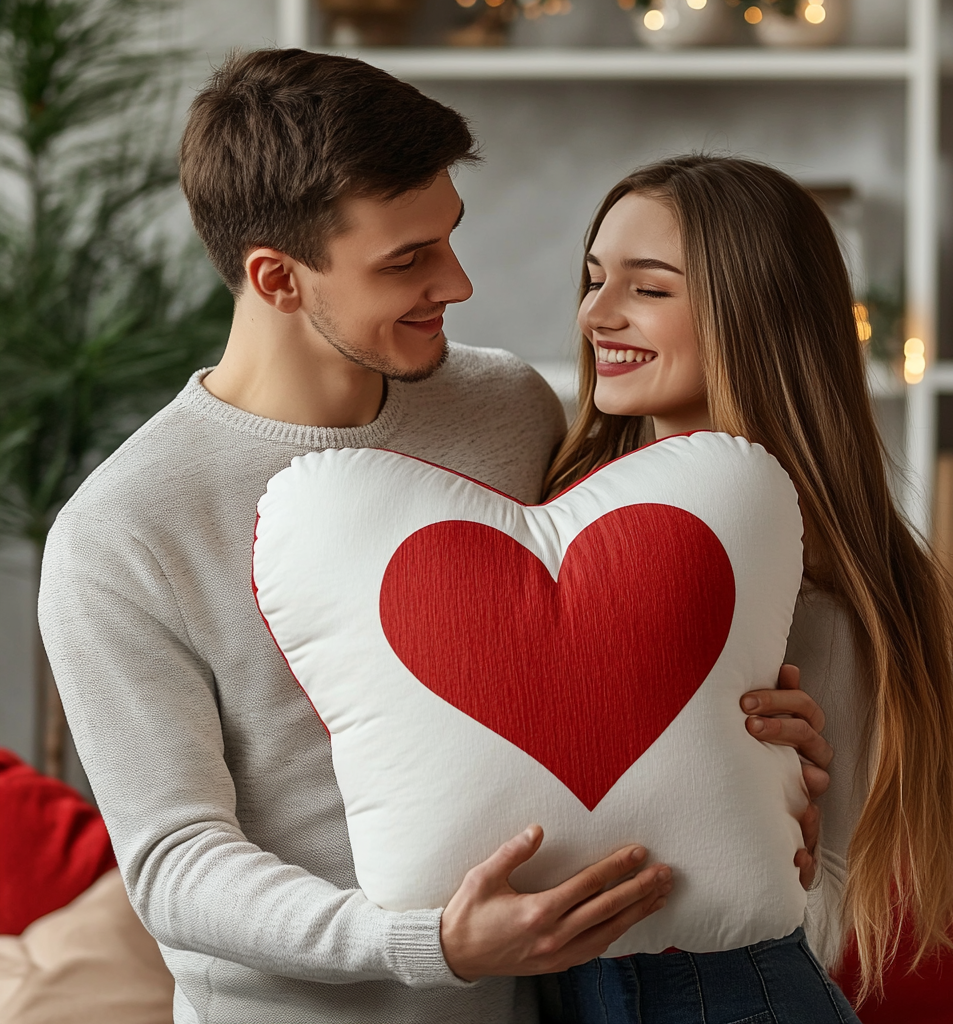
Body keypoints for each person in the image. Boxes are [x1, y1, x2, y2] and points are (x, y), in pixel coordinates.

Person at [39, 52, 832, 1023]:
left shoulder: (503, 405)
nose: (455, 283)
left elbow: (590, 645)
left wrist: (754, 742)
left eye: (448, 235)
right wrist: (427, 943)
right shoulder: (122, 532)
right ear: (275, 278)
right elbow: (173, 861)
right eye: (405, 260)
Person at [542, 154, 953, 1023]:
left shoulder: (832, 579)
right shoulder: (550, 517)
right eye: (594, 280)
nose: (597, 313)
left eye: (650, 288)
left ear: (755, 314)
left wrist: (793, 843)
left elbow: (836, 899)